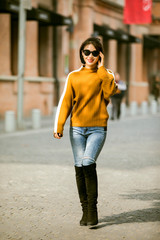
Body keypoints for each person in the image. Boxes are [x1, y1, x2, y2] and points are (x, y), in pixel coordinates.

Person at [53, 37, 117, 226]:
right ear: (81, 53)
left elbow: (110, 92)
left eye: (94, 53)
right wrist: (59, 126)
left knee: (88, 163)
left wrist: (103, 70)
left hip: (98, 128)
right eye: (86, 52)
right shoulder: (73, 76)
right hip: (77, 129)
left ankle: (93, 210)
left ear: (100, 55)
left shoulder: (106, 74)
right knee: (79, 167)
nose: (90, 56)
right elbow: (65, 102)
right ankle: (85, 210)